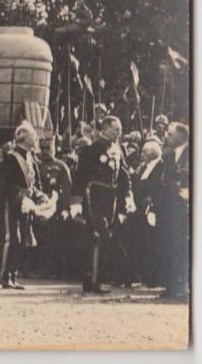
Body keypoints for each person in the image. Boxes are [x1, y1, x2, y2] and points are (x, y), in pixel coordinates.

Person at [73, 115, 135, 294]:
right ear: (105, 129)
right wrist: (76, 202)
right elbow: (80, 177)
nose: (120, 132)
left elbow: (123, 174)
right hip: (94, 196)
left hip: (112, 199)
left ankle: (93, 277)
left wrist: (128, 195)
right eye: (116, 129)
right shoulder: (91, 150)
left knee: (106, 236)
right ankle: (93, 279)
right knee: (100, 235)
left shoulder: (118, 149)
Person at [0, 121, 44, 290]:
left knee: (23, 240)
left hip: (25, 205)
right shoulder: (11, 158)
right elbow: (3, 183)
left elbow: (33, 184)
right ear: (23, 138)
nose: (36, 139)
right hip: (11, 204)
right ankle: (5, 276)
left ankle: (13, 275)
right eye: (33, 136)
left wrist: (40, 195)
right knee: (12, 239)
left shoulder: (31, 158)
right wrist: (20, 195)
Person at [120, 140, 164, 287]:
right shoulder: (143, 167)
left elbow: (161, 187)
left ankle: (152, 278)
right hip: (138, 209)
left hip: (152, 210)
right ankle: (131, 275)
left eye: (144, 152)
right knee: (131, 240)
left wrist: (153, 200)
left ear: (152, 153)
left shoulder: (161, 166)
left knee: (150, 244)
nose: (142, 154)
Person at [155, 122, 189, 300]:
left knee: (183, 247)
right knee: (170, 245)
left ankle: (183, 287)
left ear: (182, 136)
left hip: (186, 208)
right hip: (169, 208)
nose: (166, 137)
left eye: (170, 134)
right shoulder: (168, 156)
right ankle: (171, 286)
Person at [34, 136, 73, 277]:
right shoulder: (36, 165)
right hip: (37, 206)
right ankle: (34, 266)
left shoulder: (61, 167)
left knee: (51, 239)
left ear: (54, 149)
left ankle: (50, 269)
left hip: (54, 208)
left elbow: (67, 190)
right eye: (42, 148)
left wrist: (65, 209)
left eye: (48, 148)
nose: (45, 152)